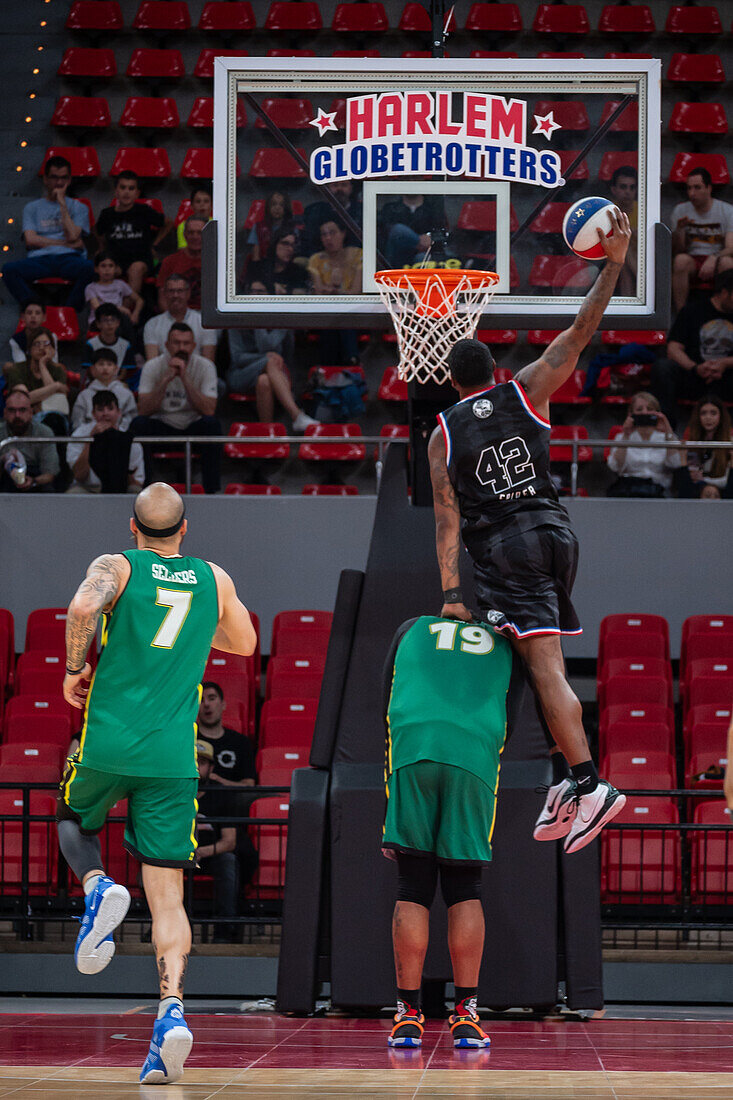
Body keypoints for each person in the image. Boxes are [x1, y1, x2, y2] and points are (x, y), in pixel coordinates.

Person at [428, 209, 632, 853]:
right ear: (492, 371)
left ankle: (590, 781)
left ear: (450, 379)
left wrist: (451, 592)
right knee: (521, 651)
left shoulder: (443, 435)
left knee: (543, 665)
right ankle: (568, 778)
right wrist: (615, 265)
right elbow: (579, 330)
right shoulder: (528, 388)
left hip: (506, 550)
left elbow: (446, 521)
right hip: (555, 533)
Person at [58, 482, 257, 1084]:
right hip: (174, 758)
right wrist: (201, 632)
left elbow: (80, 609)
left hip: (111, 739)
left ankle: (96, 886)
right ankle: (171, 1012)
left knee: (72, 817)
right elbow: (245, 643)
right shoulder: (214, 578)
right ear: (186, 530)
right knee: (167, 896)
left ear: (132, 527)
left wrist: (75, 668)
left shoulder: (115, 566)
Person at [382, 613, 514, 1050]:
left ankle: (407, 1014)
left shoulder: (411, 627)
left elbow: (387, 694)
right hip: (472, 750)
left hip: (414, 742)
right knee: (464, 886)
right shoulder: (508, 636)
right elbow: (516, 706)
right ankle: (467, 1014)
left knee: (411, 884)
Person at [131, 323, 222, 494]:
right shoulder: (153, 366)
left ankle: (212, 491)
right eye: (176, 343)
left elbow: (209, 410)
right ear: (166, 345)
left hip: (192, 427)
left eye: (186, 343)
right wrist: (166, 379)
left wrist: (185, 378)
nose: (181, 347)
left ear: (194, 346)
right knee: (139, 424)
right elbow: (143, 410)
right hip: (163, 425)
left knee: (212, 425)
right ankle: (143, 489)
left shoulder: (206, 366)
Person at [2, 155, 94, 310]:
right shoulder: (31, 207)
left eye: (63, 178)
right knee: (9, 270)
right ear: (45, 179)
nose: (59, 183)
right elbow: (31, 240)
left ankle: (69, 312)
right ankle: (33, 307)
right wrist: (66, 244)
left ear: (69, 180)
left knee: (91, 268)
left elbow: (73, 235)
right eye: (54, 178)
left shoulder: (79, 208)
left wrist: (62, 205)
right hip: (40, 259)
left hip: (69, 259)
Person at [650, 269, 733, 427]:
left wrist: (725, 363)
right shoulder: (692, 311)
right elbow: (673, 348)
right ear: (723, 293)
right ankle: (666, 429)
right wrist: (695, 368)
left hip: (726, 377)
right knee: (663, 368)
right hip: (695, 376)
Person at [226, 288, 317, 431]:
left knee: (264, 381)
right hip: (241, 374)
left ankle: (267, 432)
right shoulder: (236, 321)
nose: (255, 296)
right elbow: (238, 358)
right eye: (252, 292)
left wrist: (259, 321)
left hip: (277, 374)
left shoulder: (281, 321)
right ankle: (297, 415)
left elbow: (280, 352)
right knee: (270, 361)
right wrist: (265, 357)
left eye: (261, 292)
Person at [194, 739, 241, 940]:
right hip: (179, 855)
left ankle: (224, 930)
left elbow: (230, 841)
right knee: (154, 862)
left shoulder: (221, 796)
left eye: (202, 762)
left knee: (228, 861)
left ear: (211, 767)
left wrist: (202, 852)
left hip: (210, 855)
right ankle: (156, 928)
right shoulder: (173, 792)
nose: (197, 766)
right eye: (193, 760)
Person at [95, 171, 168, 297]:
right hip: (115, 259)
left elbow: (168, 223)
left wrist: (154, 244)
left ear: (137, 193)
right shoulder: (107, 214)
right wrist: (101, 247)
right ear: (116, 191)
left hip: (140, 258)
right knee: (104, 267)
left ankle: (126, 311)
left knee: (136, 269)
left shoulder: (143, 211)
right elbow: (97, 230)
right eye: (123, 187)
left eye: (131, 188)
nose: (126, 192)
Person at [670, 167, 733, 312]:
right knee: (680, 261)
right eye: (689, 188)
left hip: (716, 259)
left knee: (728, 262)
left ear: (709, 188)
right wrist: (679, 230)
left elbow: (731, 247)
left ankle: (726, 312)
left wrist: (713, 257)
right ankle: (681, 315)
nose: (692, 193)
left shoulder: (727, 211)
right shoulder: (680, 211)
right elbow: (678, 251)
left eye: (697, 188)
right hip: (692, 259)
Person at [308, 219, 362, 365]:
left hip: (355, 312)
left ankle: (349, 363)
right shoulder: (316, 260)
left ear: (343, 233)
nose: (328, 238)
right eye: (324, 234)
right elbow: (318, 293)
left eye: (332, 233)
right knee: (331, 319)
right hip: (326, 312)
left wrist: (335, 291)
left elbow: (356, 292)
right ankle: (337, 364)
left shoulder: (358, 255)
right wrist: (335, 290)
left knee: (343, 316)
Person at [66, 390, 143, 494]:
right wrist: (90, 440)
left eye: (110, 409)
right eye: (100, 409)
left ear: (118, 412)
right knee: (74, 493)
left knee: (137, 492)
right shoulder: (79, 435)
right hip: (88, 488)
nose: (105, 414)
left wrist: (120, 443)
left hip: (120, 488)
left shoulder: (130, 439)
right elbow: (80, 475)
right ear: (93, 414)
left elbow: (136, 483)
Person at [606, 392, 681, 497]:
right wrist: (626, 436)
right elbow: (615, 467)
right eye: (639, 409)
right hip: (629, 492)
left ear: (658, 413)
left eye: (650, 409)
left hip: (659, 492)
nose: (645, 413)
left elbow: (675, 464)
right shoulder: (621, 438)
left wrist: (668, 431)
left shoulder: (667, 438)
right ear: (631, 414)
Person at [4, 327, 69, 430]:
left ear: (52, 348)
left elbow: (55, 400)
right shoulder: (17, 369)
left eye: (46, 343)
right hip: (23, 417)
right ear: (29, 349)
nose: (42, 348)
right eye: (37, 344)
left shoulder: (58, 370)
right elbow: (24, 400)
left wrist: (42, 365)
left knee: (54, 420)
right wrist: (56, 386)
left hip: (55, 416)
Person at [143, 275, 217, 363]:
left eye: (180, 291)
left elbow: (208, 363)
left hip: (196, 374)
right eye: (171, 291)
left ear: (188, 293)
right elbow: (152, 363)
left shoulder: (204, 323)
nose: (175, 295)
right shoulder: (152, 324)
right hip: (164, 374)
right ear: (165, 294)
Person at [197, 682, 256, 789]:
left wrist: (220, 782)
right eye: (201, 700)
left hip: (231, 803)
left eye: (212, 698)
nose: (206, 704)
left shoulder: (241, 742)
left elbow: (249, 785)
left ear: (223, 704)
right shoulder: (188, 740)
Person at [0, 386, 59, 492]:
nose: (17, 415)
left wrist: (33, 481)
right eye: (12, 410)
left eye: (22, 410)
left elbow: (50, 473)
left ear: (31, 413)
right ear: (5, 413)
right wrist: (3, 460)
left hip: (36, 482)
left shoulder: (44, 432)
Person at [676, 394, 732, 500]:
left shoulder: (730, 442)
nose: (708, 418)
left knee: (711, 492)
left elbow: (727, 480)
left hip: (722, 492)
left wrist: (704, 480)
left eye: (713, 413)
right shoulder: (690, 441)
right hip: (695, 491)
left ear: (721, 416)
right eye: (703, 413)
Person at [72, 348, 137, 432]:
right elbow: (77, 422)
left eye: (109, 364)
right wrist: (92, 430)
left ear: (116, 369)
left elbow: (131, 417)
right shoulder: (84, 395)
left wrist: (119, 429)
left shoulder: (126, 393)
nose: (105, 368)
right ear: (93, 369)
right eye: (101, 364)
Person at [379, 194, 448, 268]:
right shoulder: (390, 208)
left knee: (423, 259)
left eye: (415, 181)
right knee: (398, 230)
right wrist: (418, 241)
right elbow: (384, 233)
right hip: (397, 255)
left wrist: (430, 238)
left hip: (424, 255)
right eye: (408, 181)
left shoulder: (433, 209)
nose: (412, 181)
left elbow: (442, 232)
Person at [82, 303, 137, 390]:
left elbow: (123, 373)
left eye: (113, 320)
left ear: (118, 323)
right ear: (98, 324)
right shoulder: (91, 344)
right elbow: (90, 371)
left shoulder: (125, 345)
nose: (109, 324)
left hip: (116, 382)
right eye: (105, 320)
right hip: (95, 381)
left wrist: (112, 382)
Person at [300, 178, 362, 256]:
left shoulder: (363, 210)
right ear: (328, 188)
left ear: (351, 188)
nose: (339, 189)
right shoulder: (314, 211)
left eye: (344, 185)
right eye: (335, 185)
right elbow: (310, 242)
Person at [84, 251, 143, 329]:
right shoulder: (91, 288)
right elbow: (99, 308)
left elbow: (139, 300)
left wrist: (135, 314)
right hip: (99, 321)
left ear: (116, 269)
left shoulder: (120, 284)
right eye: (103, 266)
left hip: (117, 319)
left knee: (126, 322)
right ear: (96, 269)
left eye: (110, 266)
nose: (107, 269)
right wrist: (119, 308)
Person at [156, 218, 205, 311]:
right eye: (191, 233)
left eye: (200, 233)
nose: (195, 237)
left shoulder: (218, 261)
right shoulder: (169, 261)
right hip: (178, 316)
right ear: (184, 235)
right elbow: (162, 298)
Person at [249, 226, 308, 295]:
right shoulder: (258, 268)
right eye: (285, 243)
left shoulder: (298, 272)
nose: (290, 249)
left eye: (292, 245)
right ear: (274, 244)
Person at [609, 166, 638, 296]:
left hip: (639, 255)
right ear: (614, 189)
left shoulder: (645, 210)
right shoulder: (607, 211)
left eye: (632, 187)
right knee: (623, 258)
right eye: (623, 187)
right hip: (610, 256)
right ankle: (644, 279)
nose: (628, 191)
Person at [6, 299, 58, 367]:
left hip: (47, 371)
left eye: (37, 313)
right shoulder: (15, 341)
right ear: (23, 317)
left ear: (44, 317)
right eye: (29, 313)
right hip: (26, 373)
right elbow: (21, 365)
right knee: (8, 367)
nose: (33, 316)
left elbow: (54, 363)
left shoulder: (52, 337)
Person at [248, 190, 294, 263]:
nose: (277, 208)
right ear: (268, 207)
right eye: (273, 204)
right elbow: (255, 256)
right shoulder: (258, 227)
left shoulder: (293, 228)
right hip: (264, 266)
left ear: (286, 208)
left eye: (281, 205)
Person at [176, 184, 212, 250]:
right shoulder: (182, 226)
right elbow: (183, 251)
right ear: (191, 206)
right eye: (198, 201)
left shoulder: (218, 224)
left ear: (212, 205)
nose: (202, 205)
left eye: (206, 201)